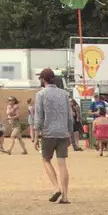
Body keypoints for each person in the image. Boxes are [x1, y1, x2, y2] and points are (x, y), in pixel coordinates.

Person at [31, 69, 74, 203]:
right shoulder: (64, 94)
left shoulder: (41, 94)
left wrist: (36, 136)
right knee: (62, 164)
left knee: (46, 159)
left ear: (43, 80)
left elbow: (39, 117)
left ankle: (56, 188)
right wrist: (70, 134)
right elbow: (69, 116)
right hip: (63, 132)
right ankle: (65, 196)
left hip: (48, 132)